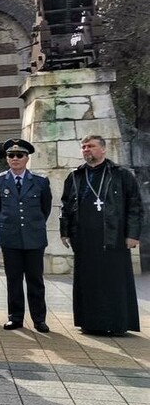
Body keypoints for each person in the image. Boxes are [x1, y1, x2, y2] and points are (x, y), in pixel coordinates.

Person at [60, 134, 142, 335]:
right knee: (89, 282)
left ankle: (117, 325)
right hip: (84, 239)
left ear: (103, 149)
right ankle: (90, 323)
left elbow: (135, 206)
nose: (86, 150)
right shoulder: (75, 176)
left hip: (113, 237)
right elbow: (66, 205)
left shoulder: (121, 174)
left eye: (91, 146)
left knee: (114, 282)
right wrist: (65, 231)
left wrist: (133, 234)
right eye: (84, 147)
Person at [0, 139, 52, 333]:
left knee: (36, 280)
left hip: (34, 238)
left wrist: (34, 226)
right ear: (7, 158)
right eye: (11, 155)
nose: (15, 158)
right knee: (13, 280)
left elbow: (45, 208)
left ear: (27, 158)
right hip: (10, 238)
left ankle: (39, 319)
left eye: (20, 155)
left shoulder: (40, 181)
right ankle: (15, 317)